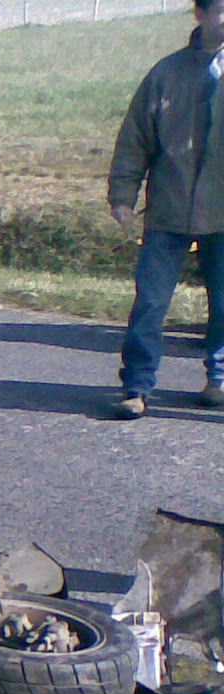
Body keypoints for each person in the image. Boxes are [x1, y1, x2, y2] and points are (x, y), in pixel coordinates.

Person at [107, 0, 224, 419]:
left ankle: (219, 378)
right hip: (169, 209)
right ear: (201, 15)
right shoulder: (167, 73)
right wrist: (123, 192)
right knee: (151, 302)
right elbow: (136, 135)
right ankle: (136, 386)